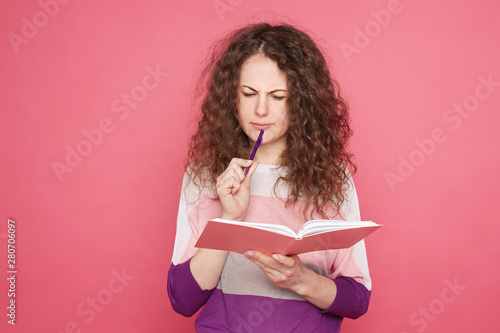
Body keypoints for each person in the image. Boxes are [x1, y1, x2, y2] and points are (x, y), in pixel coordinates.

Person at [167, 22, 371, 332]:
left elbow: (358, 300)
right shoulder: (206, 175)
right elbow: (183, 299)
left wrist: (302, 280)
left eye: (277, 97)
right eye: (248, 94)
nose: (260, 110)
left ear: (301, 102)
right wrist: (229, 219)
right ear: (231, 97)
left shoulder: (332, 179)